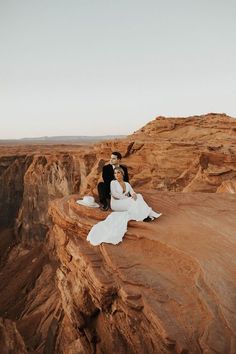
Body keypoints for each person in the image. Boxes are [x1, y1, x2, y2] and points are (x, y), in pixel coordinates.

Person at [87, 167, 161, 245]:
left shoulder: (127, 184)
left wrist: (134, 195)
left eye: (118, 172)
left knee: (138, 196)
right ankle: (145, 216)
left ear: (122, 174)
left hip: (125, 201)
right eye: (115, 173)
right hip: (116, 203)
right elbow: (115, 195)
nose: (116, 174)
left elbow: (132, 192)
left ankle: (145, 215)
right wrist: (128, 197)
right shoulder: (113, 183)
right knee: (132, 201)